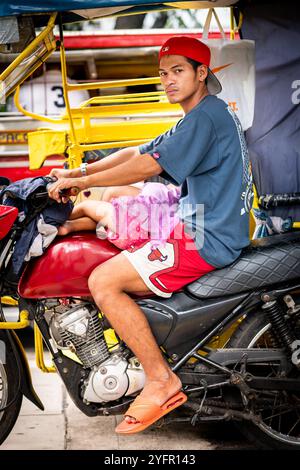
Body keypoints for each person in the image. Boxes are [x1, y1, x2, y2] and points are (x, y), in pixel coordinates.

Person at [48, 36, 253, 434]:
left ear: (201, 72)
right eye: (163, 73)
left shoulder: (206, 117)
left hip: (205, 237)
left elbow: (145, 167)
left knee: (103, 280)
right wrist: (78, 175)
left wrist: (83, 182)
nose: (169, 80)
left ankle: (160, 378)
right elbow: (136, 153)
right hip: (201, 224)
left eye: (178, 71)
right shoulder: (199, 115)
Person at [58, 182, 181, 251]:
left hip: (131, 226)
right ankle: (70, 226)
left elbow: (114, 191)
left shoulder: (162, 193)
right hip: (141, 242)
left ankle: (59, 216)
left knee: (86, 206)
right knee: (103, 219)